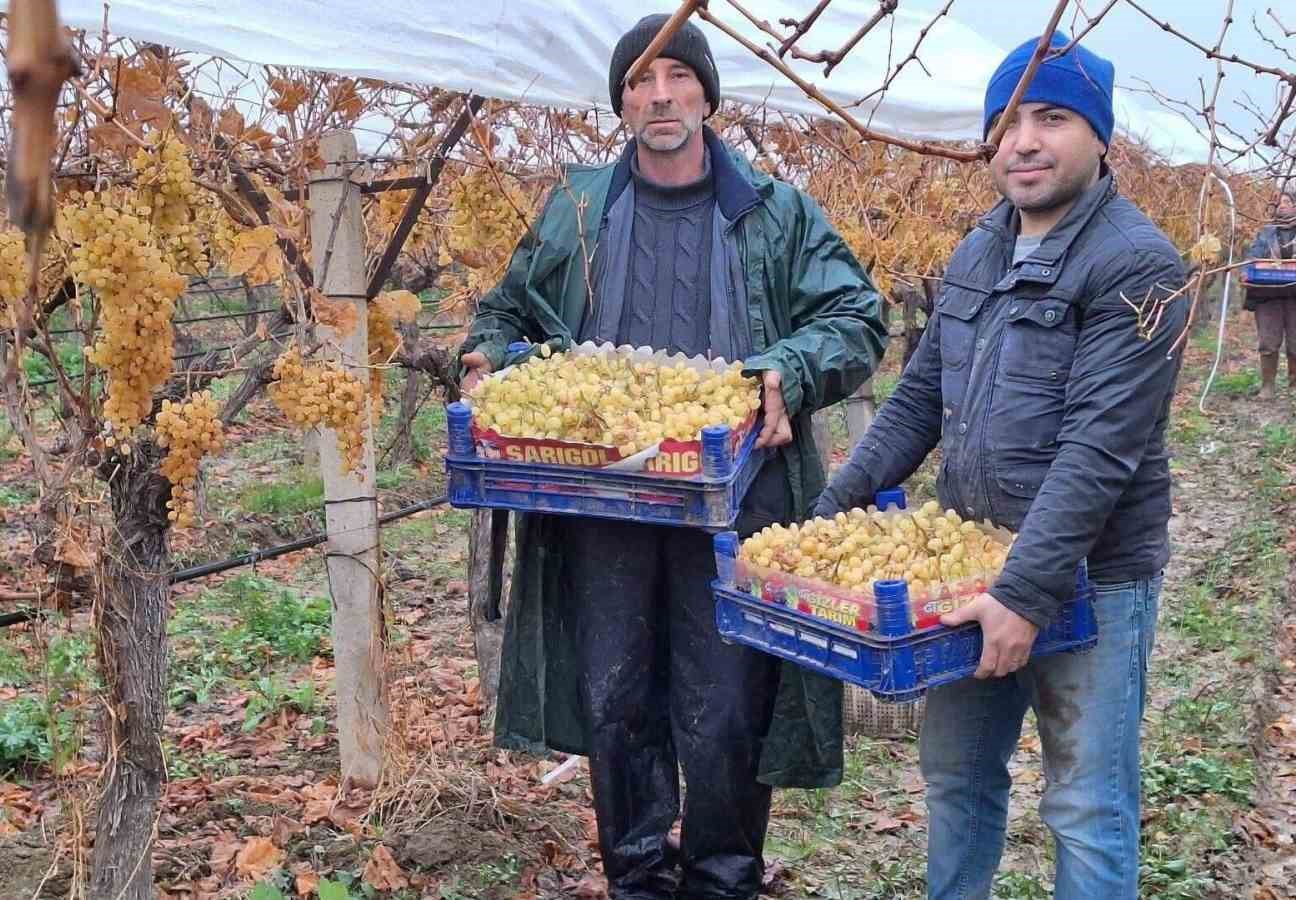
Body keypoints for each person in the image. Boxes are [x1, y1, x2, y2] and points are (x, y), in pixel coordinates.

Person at [457, 14, 888, 898]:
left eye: (677, 78)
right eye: (639, 84)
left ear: (706, 95)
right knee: (617, 702)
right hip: (604, 503)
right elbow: (504, 316)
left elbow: (857, 319)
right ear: (620, 105)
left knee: (726, 708)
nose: (659, 96)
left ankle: (723, 881)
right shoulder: (579, 208)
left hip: (735, 501)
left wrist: (791, 370)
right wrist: (485, 358)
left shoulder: (776, 214)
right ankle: (638, 879)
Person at [813, 33, 1189, 900]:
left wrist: (1023, 593)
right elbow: (916, 401)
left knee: (1088, 807)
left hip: (1092, 580)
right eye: (1007, 121)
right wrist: (834, 509)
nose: (1023, 140)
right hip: (971, 570)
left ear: (1101, 136)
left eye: (1051, 117)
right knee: (956, 782)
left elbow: (1099, 449)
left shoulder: (1139, 265)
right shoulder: (981, 246)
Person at [1245, 189, 1296, 398]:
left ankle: (1294, 386)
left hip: (1295, 295)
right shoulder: (1265, 233)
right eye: (1279, 202)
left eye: (1287, 201)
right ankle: (1268, 387)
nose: (1282, 205)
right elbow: (1252, 257)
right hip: (1268, 294)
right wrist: (1246, 272)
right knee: (1268, 340)